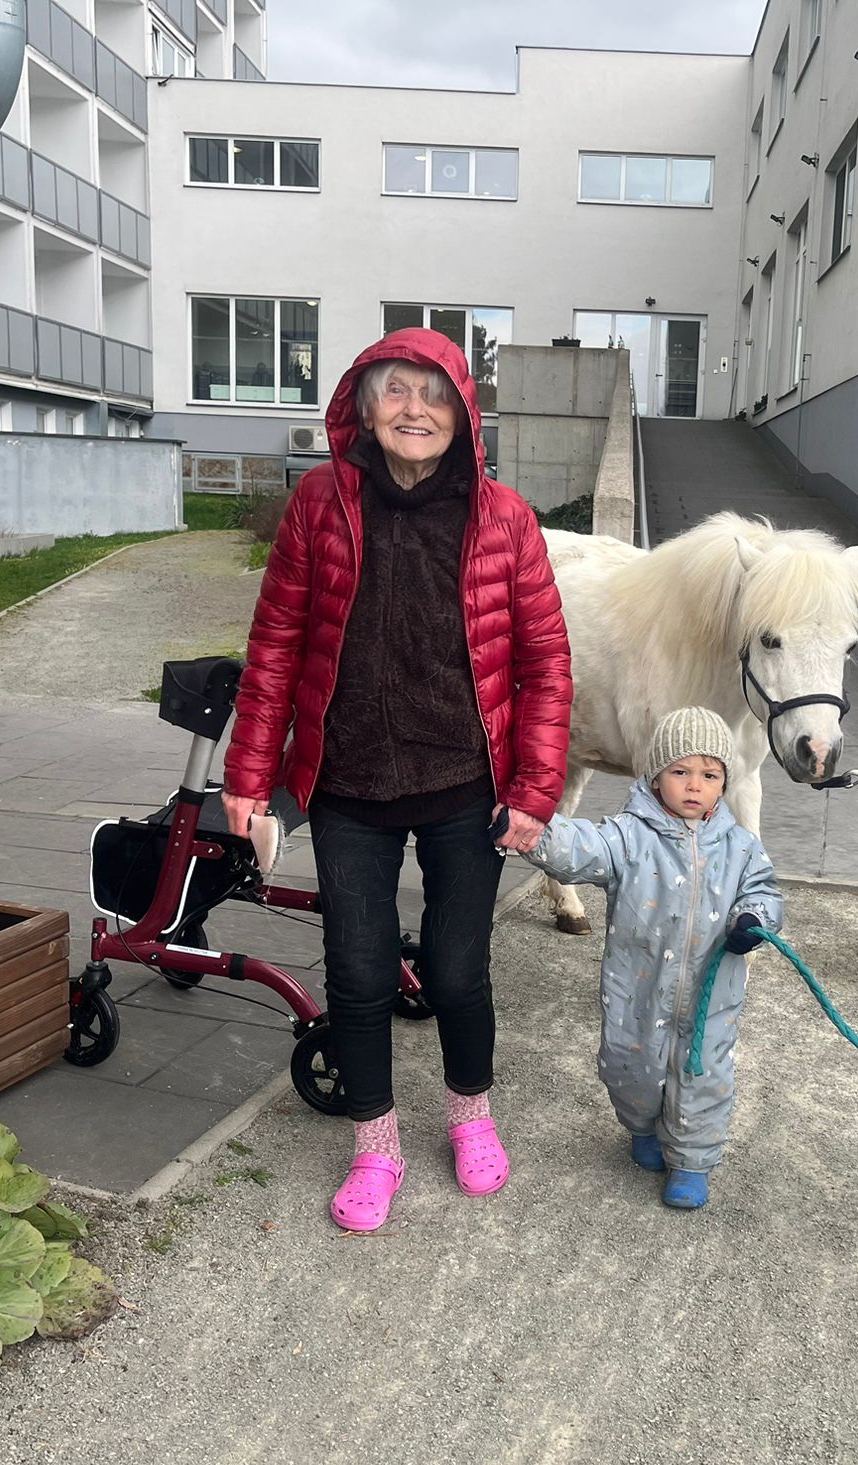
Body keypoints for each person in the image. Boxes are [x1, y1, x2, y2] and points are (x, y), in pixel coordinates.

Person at [221, 329, 573, 1233]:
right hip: (349, 785)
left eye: (435, 393)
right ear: (364, 406)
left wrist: (534, 790)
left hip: (467, 785)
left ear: (464, 413)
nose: (416, 410)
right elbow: (275, 646)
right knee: (359, 971)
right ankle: (375, 1145)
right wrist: (250, 773)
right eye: (396, 390)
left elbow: (544, 663)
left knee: (456, 972)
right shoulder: (318, 504)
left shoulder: (507, 519)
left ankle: (470, 1117)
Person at [520, 707, 784, 1210]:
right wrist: (535, 831)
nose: (694, 785)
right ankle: (642, 1126)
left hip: (710, 996)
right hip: (637, 987)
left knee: (702, 1073)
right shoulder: (629, 836)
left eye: (710, 775)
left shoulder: (742, 848)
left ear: (725, 782)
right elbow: (582, 846)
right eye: (680, 771)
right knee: (630, 1066)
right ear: (655, 776)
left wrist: (753, 917)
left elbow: (764, 891)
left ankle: (691, 1161)